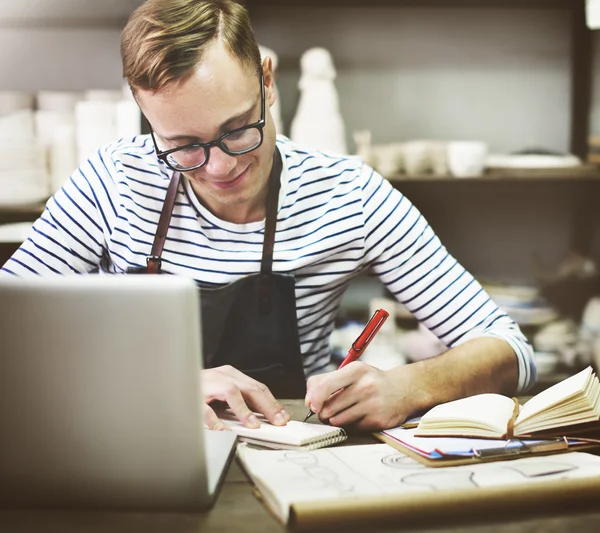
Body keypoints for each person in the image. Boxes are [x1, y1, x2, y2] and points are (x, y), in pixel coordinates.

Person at [0, 0, 535, 432]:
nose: (220, 165)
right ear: (146, 116)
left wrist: (412, 385)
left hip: (300, 451)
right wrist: (160, 385)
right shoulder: (112, 180)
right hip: (140, 447)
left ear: (268, 81)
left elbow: (511, 348)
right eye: (184, 145)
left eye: (237, 129)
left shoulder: (351, 195)